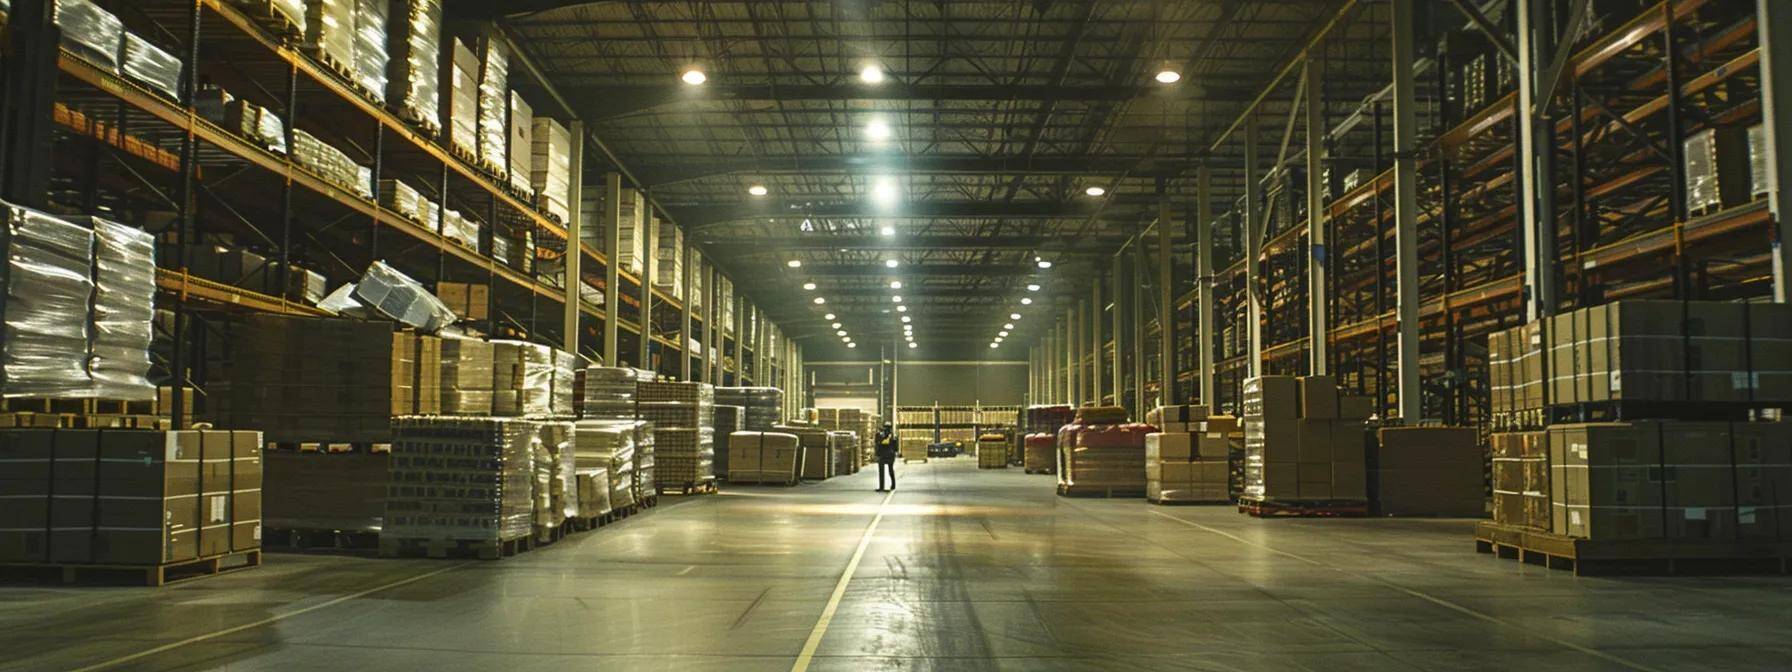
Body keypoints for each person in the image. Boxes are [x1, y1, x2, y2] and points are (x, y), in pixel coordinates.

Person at [874, 423, 898, 492]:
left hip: (884, 455)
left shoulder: (886, 436)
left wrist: (877, 454)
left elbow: (881, 444)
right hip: (889, 455)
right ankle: (892, 485)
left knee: (883, 471)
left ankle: (882, 487)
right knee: (890, 470)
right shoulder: (893, 436)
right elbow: (896, 448)